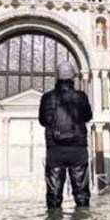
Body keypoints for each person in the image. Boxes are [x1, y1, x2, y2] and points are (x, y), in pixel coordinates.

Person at [39, 61, 93, 208]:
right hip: (78, 149)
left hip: (55, 149)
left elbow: (43, 121)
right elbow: (88, 117)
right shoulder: (81, 96)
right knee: (81, 193)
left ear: (57, 77)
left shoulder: (47, 97)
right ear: (73, 77)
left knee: (54, 195)